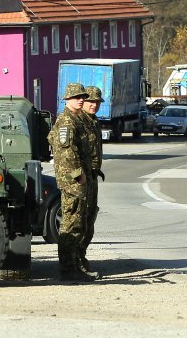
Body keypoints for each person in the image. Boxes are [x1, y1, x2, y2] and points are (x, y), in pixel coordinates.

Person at [47, 82, 97, 282]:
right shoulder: (67, 121)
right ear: (67, 99)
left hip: (79, 179)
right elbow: (66, 151)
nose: (82, 99)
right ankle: (68, 269)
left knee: (80, 222)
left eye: (82, 96)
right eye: (77, 97)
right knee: (71, 223)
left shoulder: (77, 119)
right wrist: (79, 174)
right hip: (72, 181)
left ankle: (76, 265)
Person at [81, 86, 105, 275]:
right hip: (79, 179)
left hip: (91, 177)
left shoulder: (94, 122)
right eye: (90, 101)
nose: (94, 105)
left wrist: (96, 170)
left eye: (97, 102)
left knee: (89, 221)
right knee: (77, 222)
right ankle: (74, 263)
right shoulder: (77, 122)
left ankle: (81, 257)